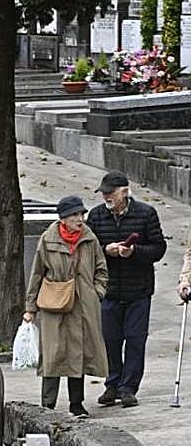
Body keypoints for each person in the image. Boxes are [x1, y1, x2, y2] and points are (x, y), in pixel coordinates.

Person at [85, 171, 167, 407]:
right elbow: (87, 250)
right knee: (110, 340)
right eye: (103, 193)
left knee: (135, 340)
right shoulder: (97, 216)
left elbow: (158, 248)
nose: (106, 197)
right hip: (108, 290)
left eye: (110, 193)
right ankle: (112, 384)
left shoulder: (146, 213)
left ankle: (128, 387)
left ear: (124, 192)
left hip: (138, 289)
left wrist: (135, 252)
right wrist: (105, 250)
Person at [23, 196, 108, 418]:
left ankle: (76, 404)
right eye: (74, 215)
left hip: (83, 304)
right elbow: (37, 273)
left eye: (81, 214)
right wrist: (30, 308)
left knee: (77, 353)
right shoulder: (48, 239)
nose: (80, 219)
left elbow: (101, 270)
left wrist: (96, 293)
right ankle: (47, 404)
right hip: (54, 303)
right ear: (63, 218)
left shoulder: (89, 238)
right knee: (52, 354)